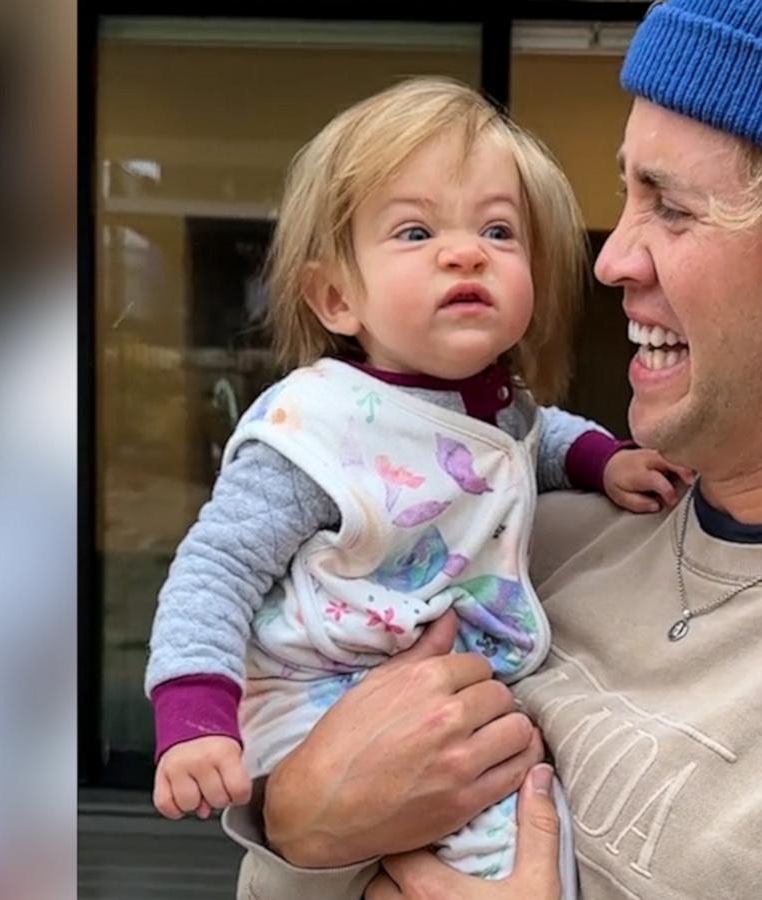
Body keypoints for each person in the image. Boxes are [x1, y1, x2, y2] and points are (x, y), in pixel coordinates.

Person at [225, 0, 762, 897]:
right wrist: (299, 828)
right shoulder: (519, 540)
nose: (611, 258)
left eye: (672, 207)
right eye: (626, 194)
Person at [143, 78, 687, 893]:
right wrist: (193, 716)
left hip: (436, 699)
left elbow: (531, 440)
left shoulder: (498, 406)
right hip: (314, 696)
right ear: (337, 296)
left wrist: (603, 460)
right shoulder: (315, 429)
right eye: (415, 230)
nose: (466, 251)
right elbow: (215, 568)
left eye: (499, 230)